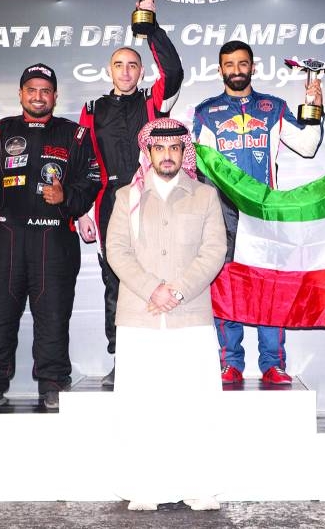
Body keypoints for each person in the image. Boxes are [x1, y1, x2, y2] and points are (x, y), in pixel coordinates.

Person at [105, 117, 227, 511]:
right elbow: (116, 251)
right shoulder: (127, 197)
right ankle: (144, 486)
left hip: (189, 317)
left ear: (183, 152)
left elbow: (213, 252)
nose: (168, 155)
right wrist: (152, 289)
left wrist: (175, 290)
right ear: (149, 152)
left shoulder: (205, 196)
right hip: (139, 317)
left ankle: (198, 485)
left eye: (175, 148)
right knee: (141, 406)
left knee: (194, 406)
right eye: (160, 148)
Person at [0, 63, 98, 411]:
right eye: (31, 90)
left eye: (45, 90)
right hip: (5, 236)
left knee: (53, 316)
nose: (39, 96)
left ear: (55, 96)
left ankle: (53, 384)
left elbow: (92, 179)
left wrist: (66, 197)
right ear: (21, 94)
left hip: (53, 239)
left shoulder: (75, 134)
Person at [192, 40, 323, 385]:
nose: (236, 70)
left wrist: (314, 109)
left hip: (266, 213)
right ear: (220, 69)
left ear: (253, 66)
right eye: (229, 64)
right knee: (226, 289)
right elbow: (194, 166)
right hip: (223, 215)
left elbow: (308, 147)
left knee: (271, 290)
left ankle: (272, 363)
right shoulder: (206, 111)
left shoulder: (274, 107)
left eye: (242, 63)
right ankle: (230, 361)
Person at [77, 0, 184, 387]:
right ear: (110, 70)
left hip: (155, 199)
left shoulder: (154, 101)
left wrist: (150, 25)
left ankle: (162, 358)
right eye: (119, 65)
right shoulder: (92, 108)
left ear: (141, 71)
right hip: (109, 204)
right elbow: (84, 164)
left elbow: (173, 71)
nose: (126, 72)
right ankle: (122, 358)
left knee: (162, 273)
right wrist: (82, 211)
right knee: (115, 281)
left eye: (133, 65)